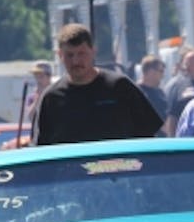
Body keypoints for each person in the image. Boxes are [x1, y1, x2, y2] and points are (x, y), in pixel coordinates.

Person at [31, 22, 163, 145]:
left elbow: (149, 138)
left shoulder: (120, 87)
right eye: (69, 55)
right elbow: (41, 149)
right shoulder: (51, 98)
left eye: (81, 53)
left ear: (93, 51)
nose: (76, 61)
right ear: (60, 55)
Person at [164, 47, 194, 137]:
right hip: (187, 136)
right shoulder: (178, 86)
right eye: (185, 63)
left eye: (189, 63)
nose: (186, 67)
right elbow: (172, 116)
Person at [136, 55, 168, 134]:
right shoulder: (135, 92)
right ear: (150, 71)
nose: (163, 76)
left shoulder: (160, 92)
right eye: (161, 71)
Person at [23, 60, 53, 125]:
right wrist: (38, 98)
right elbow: (31, 117)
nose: (38, 80)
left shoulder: (57, 94)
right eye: (36, 76)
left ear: (49, 77)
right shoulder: (32, 98)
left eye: (41, 76)